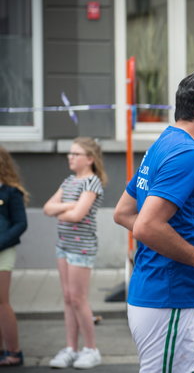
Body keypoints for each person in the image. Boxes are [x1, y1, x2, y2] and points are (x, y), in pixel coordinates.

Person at [113, 68, 194, 373]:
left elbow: (124, 213)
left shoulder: (163, 144)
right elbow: (145, 225)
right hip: (170, 299)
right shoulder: (187, 155)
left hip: (184, 298)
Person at [43, 137, 107, 369]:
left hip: (82, 248)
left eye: (76, 153)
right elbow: (47, 208)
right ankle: (71, 348)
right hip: (63, 245)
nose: (70, 157)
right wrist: (69, 206)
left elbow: (77, 215)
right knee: (68, 299)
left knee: (79, 299)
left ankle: (91, 349)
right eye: (70, 153)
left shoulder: (92, 182)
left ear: (89, 159)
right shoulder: (69, 181)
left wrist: (64, 210)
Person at [0, 146, 28, 367]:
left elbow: (20, 224)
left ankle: (14, 352)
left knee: (2, 302)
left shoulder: (11, 192)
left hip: (3, 251)